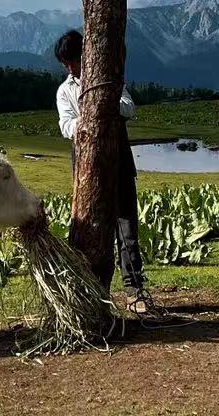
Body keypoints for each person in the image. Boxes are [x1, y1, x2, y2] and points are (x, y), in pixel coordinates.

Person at [53, 28, 150, 312]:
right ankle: (95, 292)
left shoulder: (110, 79)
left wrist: (105, 103)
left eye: (73, 61)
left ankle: (134, 291)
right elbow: (65, 126)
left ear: (85, 55)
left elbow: (129, 108)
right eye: (66, 63)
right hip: (86, 168)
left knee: (127, 229)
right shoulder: (65, 91)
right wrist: (90, 119)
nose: (71, 68)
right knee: (91, 230)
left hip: (119, 161)